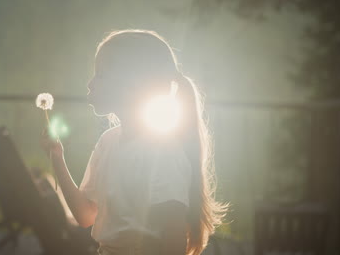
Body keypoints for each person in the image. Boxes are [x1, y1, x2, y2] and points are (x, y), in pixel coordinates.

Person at [40, 29, 226, 255]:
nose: (90, 84)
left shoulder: (163, 152)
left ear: (132, 83)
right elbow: (85, 215)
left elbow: (173, 239)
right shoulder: (108, 142)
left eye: (101, 75)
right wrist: (57, 157)